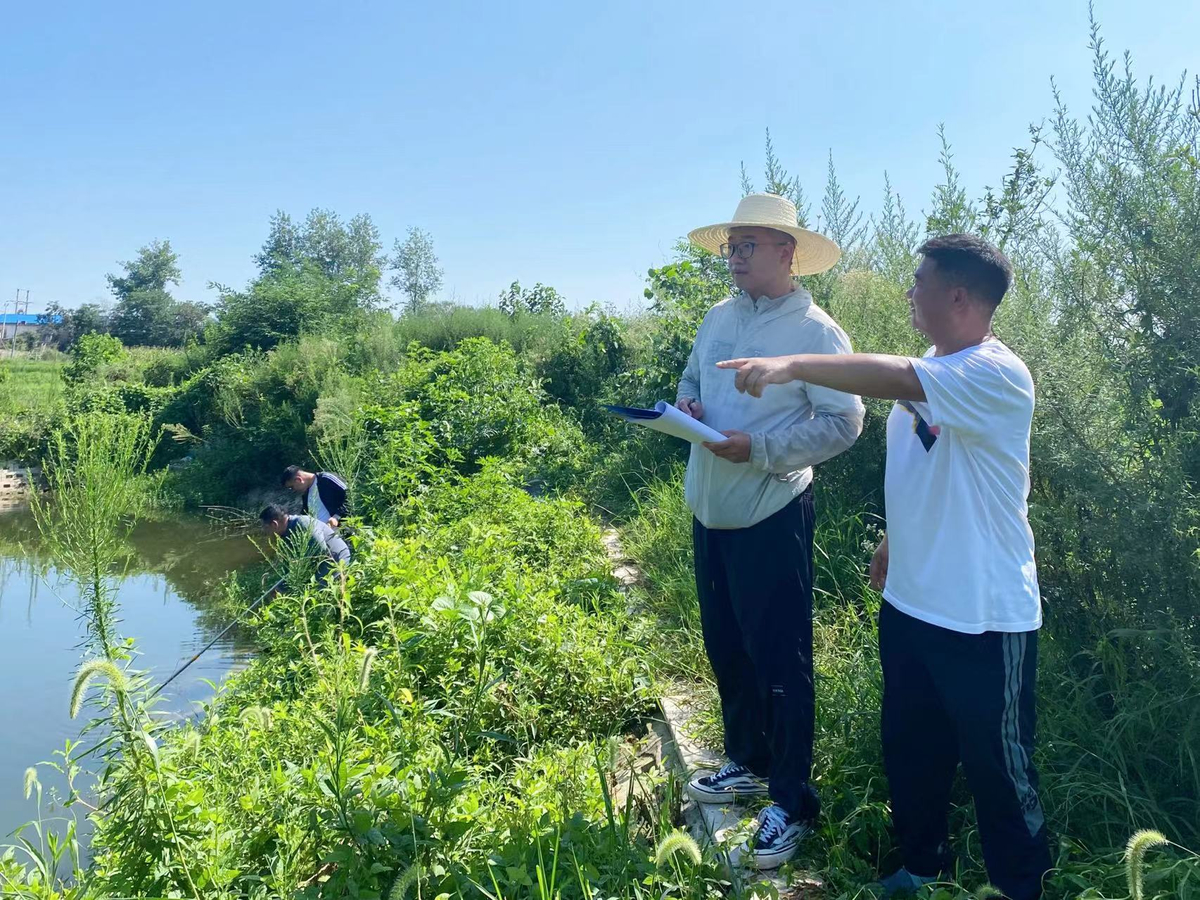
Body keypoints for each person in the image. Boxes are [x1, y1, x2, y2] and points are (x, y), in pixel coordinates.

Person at [718, 234, 1052, 899]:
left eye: (919, 281)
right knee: (911, 751)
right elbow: (931, 461)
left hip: (984, 619)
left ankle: (1024, 886)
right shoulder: (937, 362)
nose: (910, 293)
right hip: (912, 605)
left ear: (958, 296)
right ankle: (922, 869)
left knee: (999, 769)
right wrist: (894, 540)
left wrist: (792, 365)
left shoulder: (995, 372)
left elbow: (897, 379)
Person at [677, 192, 864, 869]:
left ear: (789, 253)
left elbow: (845, 422)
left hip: (770, 509)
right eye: (732, 244)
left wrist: (756, 450)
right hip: (710, 504)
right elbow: (690, 380)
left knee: (782, 660)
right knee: (727, 645)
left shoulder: (816, 330)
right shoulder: (717, 316)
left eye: (749, 244)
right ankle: (747, 763)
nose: (735, 256)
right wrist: (688, 404)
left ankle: (791, 800)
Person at [259, 504, 352, 590]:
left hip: (335, 560)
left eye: (266, 528)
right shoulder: (284, 535)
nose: (266, 533)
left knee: (317, 592)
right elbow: (289, 569)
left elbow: (320, 550)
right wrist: (281, 588)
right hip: (319, 564)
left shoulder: (303, 523)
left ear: (274, 524)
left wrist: (301, 564)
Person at [281, 466, 348, 528]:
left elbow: (350, 496)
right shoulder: (306, 496)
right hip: (326, 537)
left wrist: (336, 517)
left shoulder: (325, 479)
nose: (293, 490)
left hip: (345, 530)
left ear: (298, 480)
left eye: (291, 487)